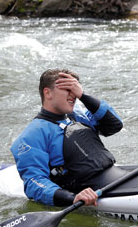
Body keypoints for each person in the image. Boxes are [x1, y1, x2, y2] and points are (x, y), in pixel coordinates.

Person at [10, 69, 123, 207]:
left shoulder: (78, 116)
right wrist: (73, 198)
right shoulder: (32, 135)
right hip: (88, 192)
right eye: (67, 89)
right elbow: (34, 182)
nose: (73, 95)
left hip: (115, 176)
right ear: (48, 93)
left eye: (74, 88)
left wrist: (83, 96)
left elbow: (114, 125)